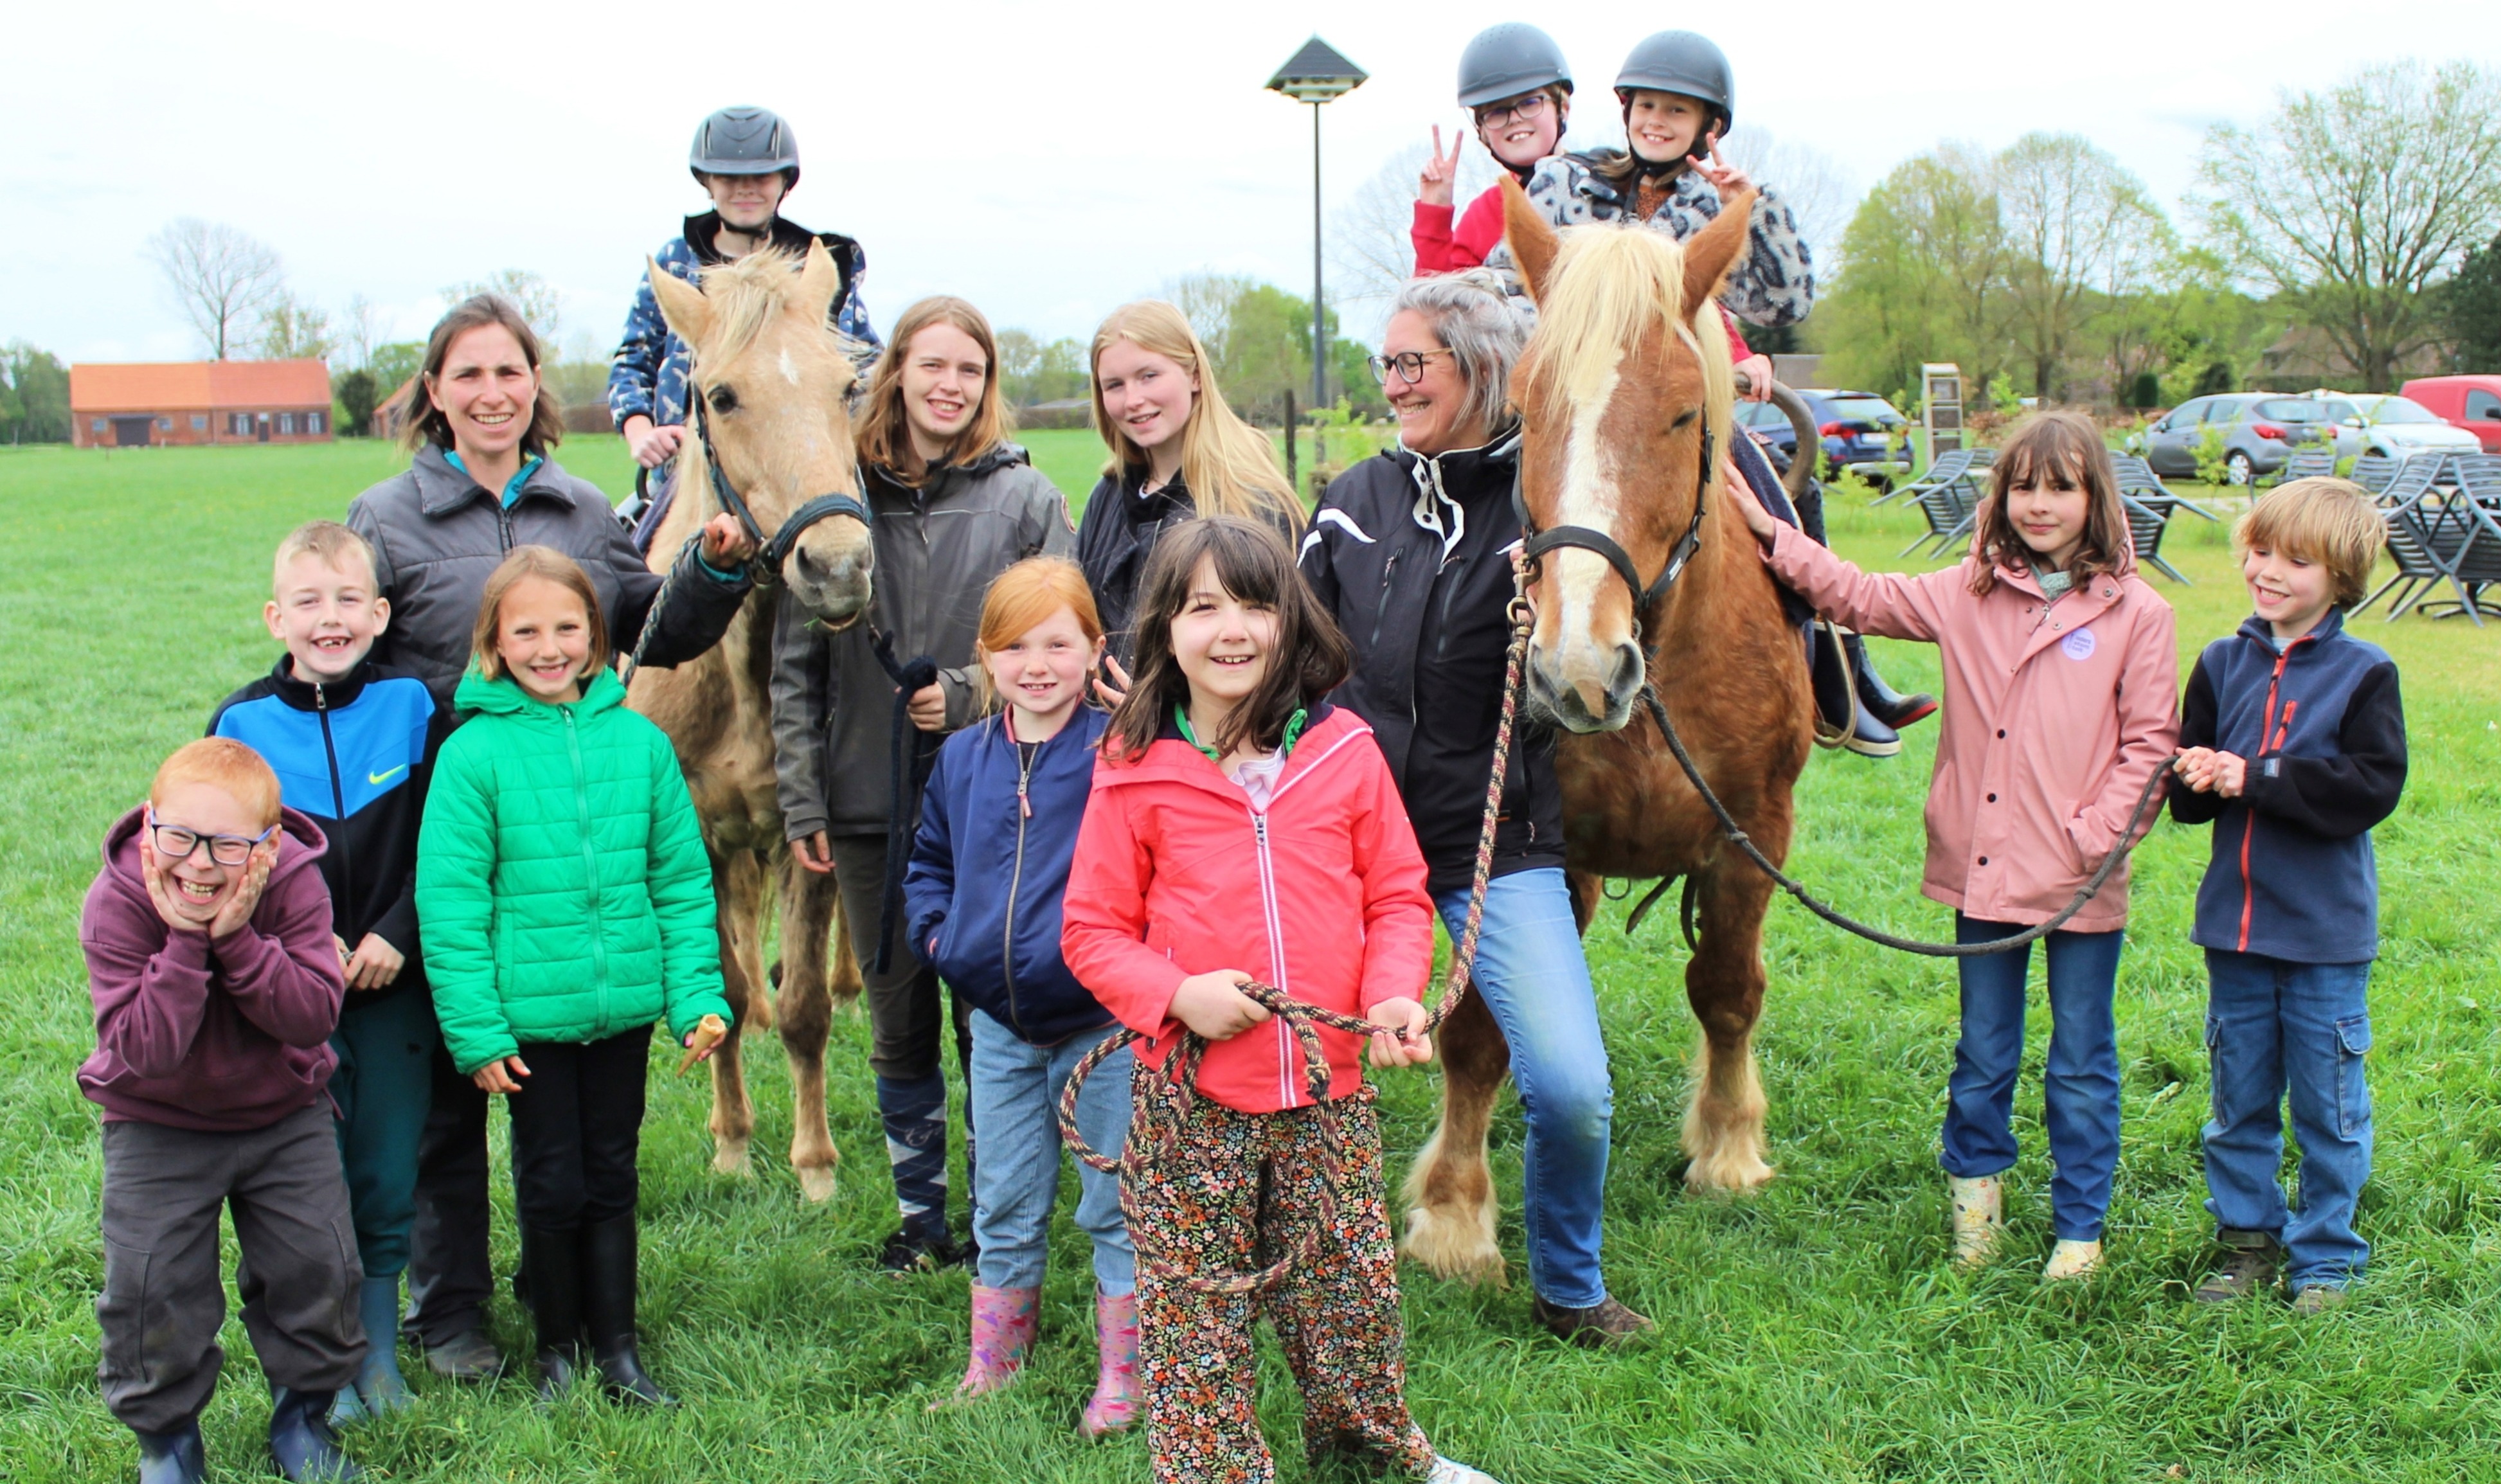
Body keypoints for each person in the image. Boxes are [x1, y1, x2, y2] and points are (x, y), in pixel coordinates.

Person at [348, 292, 755, 1381]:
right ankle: (454, 1310)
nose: (490, 392)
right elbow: (342, 650)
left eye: (509, 372)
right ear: (435, 391)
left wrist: (712, 572)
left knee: (565, 1121)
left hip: (567, 822)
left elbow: (650, 630)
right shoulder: (384, 516)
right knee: (447, 1094)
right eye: (467, 374)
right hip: (428, 819)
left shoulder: (579, 508)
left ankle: (569, 1300)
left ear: (537, 388)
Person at [1061, 517, 1498, 1484]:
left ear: (1291, 621)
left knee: (1347, 1293)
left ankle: (1374, 1451)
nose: (1232, 630)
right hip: (1190, 1100)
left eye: (1254, 604)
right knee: (1194, 1311)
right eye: (1202, 606)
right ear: (1163, 630)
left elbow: (1393, 891)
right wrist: (1177, 993)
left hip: (1327, 1094)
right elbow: (1089, 931)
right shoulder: (1132, 769)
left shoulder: (1343, 751)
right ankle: (1217, 1470)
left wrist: (1390, 993)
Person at [1720, 411, 2179, 1281]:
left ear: (2095, 499)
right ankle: (1976, 1213)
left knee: (2081, 1058)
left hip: (2083, 881)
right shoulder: (1965, 594)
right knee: (1983, 1050)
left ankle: (2078, 1231)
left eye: (2061, 488)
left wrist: (2090, 839)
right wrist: (1768, 532)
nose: (2039, 505)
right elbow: (1854, 593)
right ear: (1999, 497)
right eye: (2023, 486)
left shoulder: (2137, 614)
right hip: (1984, 872)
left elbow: (2149, 745)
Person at [1298, 272, 1647, 1345]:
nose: (1394, 383)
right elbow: (1298, 659)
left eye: (1416, 363)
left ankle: (1569, 1284)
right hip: (1346, 851)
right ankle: (1291, 1274)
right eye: (1387, 363)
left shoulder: (1546, 512)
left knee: (1574, 1086)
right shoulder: (1351, 501)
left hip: (1494, 845)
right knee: (1282, 1072)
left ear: (1483, 369)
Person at [1491, 29, 1932, 755]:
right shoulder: (1565, 183)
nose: (1658, 123)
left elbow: (1783, 304)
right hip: (1579, 404)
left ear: (1708, 128)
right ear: (1626, 110)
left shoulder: (1710, 198)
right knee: (1492, 507)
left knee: (1788, 494)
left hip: (1679, 405)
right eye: (1648, 107)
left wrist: (1758, 211)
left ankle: (1842, 669)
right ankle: (1477, 688)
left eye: (1678, 112)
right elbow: (1507, 286)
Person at [769, 296, 1073, 1271]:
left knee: (987, 1008)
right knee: (896, 1014)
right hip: (866, 799)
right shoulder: (839, 495)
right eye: (930, 365)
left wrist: (968, 692)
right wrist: (801, 797)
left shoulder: (1023, 500)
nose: (949, 386)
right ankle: (919, 1212)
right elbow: (792, 665)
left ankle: (1001, 1208)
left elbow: (1061, 638)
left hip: (1000, 800)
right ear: (894, 371)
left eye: (970, 370)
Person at [417, 547, 733, 1404]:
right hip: (529, 1022)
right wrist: (477, 1031)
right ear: (493, 644)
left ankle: (618, 1345)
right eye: (526, 630)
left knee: (613, 1171)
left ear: (597, 636)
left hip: (620, 1006)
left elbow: (677, 878)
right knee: (551, 1177)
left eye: (567, 627)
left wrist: (697, 995)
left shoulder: (639, 742)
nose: (548, 647)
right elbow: (450, 905)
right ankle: (557, 1346)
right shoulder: (472, 754)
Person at [209, 521, 450, 1425]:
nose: (330, 617)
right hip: (286, 997)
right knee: (305, 1185)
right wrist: (296, 954)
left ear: (380, 613)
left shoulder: (416, 707)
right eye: (308, 602)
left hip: (395, 988)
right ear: (277, 616)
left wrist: (398, 931)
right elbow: (228, 862)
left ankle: (379, 1354)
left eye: (349, 599)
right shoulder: (241, 725)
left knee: (386, 1169)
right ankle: (320, 1356)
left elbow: (449, 843)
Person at [81, 738, 363, 1484]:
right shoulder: (116, 899)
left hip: (283, 1109)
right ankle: (168, 1440)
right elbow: (145, 1048)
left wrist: (237, 939)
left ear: (268, 846)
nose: (200, 864)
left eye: (229, 846)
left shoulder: (297, 885)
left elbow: (310, 1015)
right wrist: (182, 941)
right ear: (149, 825)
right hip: (156, 1116)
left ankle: (303, 1413)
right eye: (179, 837)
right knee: (150, 1288)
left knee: (320, 1265)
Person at [902, 557, 1138, 1433]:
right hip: (997, 1024)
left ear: (1093, 649)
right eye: (1013, 648)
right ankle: (994, 1360)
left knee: (1115, 1195)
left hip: (1103, 1028)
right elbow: (928, 862)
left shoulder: (1122, 750)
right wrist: (942, 942)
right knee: (1001, 1193)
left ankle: (1127, 1372)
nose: (1035, 665)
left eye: (1057, 644)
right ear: (985, 657)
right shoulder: (962, 758)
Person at [2172, 478, 2406, 1314]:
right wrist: (2194, 775)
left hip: (2323, 943)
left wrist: (2256, 775)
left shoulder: (2363, 674)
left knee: (2328, 1109)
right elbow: (2190, 787)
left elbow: (2368, 787)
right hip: (2233, 938)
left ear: (2339, 577)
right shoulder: (2218, 661)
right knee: (2237, 1105)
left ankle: (2324, 1258)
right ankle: (2246, 1245)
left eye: (2292, 560)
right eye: (2258, 550)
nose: (2264, 571)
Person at [609, 104, 879, 543]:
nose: (746, 189)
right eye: (730, 178)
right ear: (707, 182)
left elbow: (865, 372)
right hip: (686, 477)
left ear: (783, 183)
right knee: (617, 566)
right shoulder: (675, 264)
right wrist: (642, 432)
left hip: (801, 481)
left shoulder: (817, 267)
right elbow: (633, 359)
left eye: (761, 177)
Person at [1074, 300, 1303, 670]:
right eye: (1114, 385)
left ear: (1194, 375)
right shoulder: (1109, 496)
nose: (1133, 400)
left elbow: (1280, 647)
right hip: (1107, 725)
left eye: (1149, 376)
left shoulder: (1251, 499)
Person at [1411, 23, 1574, 276]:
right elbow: (1437, 305)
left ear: (1562, 108)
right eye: (1497, 112)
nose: (1514, 119)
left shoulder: (1604, 188)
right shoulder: (1484, 215)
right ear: (1482, 132)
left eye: (1529, 102)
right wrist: (1435, 214)